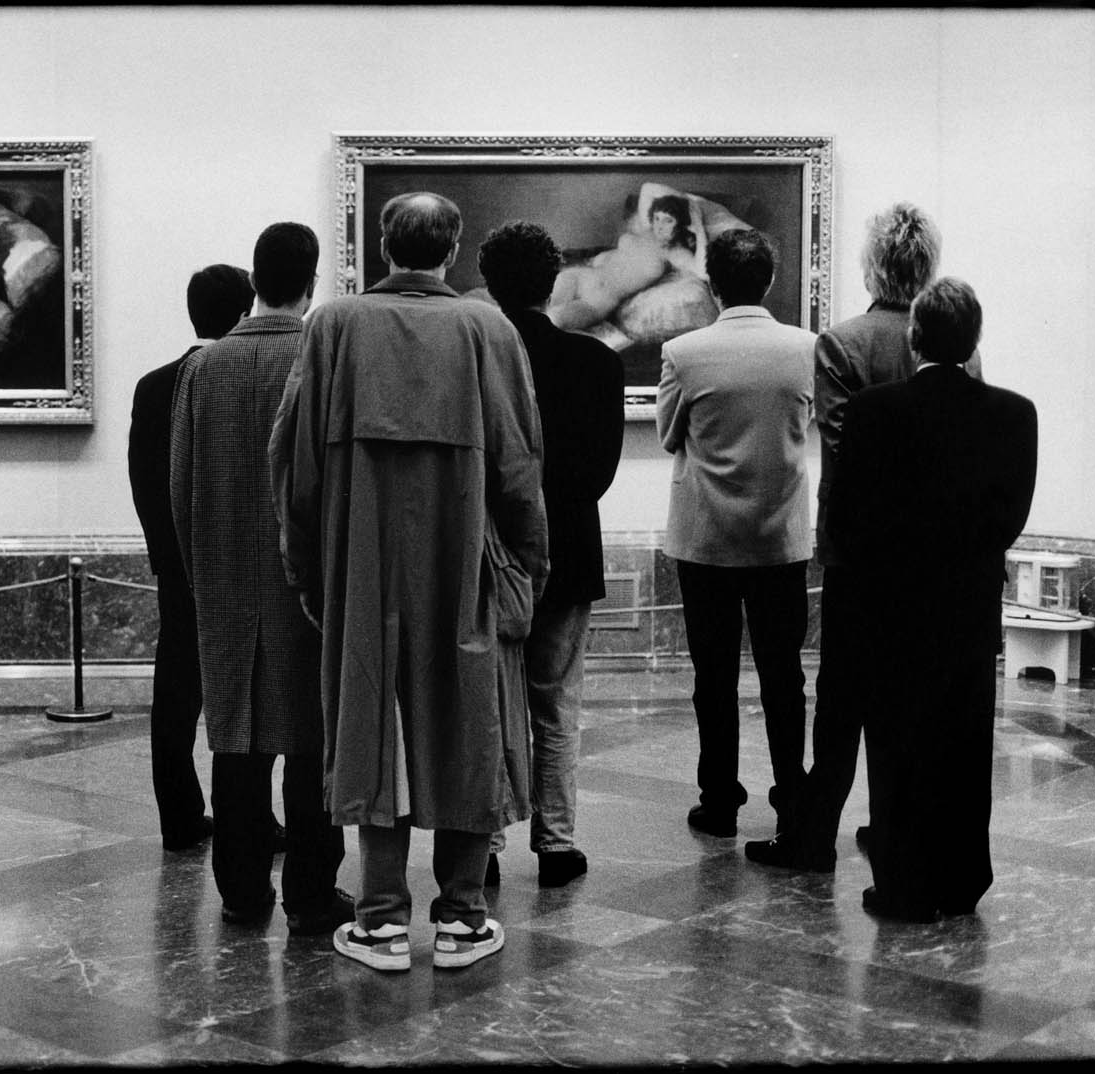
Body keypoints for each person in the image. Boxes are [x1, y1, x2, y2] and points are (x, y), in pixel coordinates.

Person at [270, 192, 547, 971]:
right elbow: (521, 467)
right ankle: (462, 916)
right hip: (463, 562)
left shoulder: (333, 327)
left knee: (372, 721)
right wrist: (529, 566)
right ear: (451, 250)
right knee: (469, 717)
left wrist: (306, 569)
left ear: (384, 246)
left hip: (361, 565)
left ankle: (383, 919)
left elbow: (294, 466)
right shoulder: (487, 329)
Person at [746, 203, 978, 872]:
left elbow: (845, 451)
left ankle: (814, 837)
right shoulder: (959, 343)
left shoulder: (842, 342)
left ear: (872, 263)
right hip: (931, 553)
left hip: (860, 548)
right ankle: (890, 825)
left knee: (842, 699)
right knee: (911, 696)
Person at [827, 278, 1036, 921]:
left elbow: (851, 517)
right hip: (970, 604)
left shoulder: (871, 412)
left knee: (895, 744)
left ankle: (902, 882)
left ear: (914, 335)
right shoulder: (1014, 413)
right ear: (974, 340)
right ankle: (961, 876)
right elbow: (1011, 518)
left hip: (892, 604)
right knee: (965, 742)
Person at [170, 223, 349, 934]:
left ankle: (242, 891)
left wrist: (202, 575)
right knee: (312, 746)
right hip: (308, 587)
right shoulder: (323, 356)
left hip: (225, 583)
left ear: (254, 276)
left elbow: (180, 489)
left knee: (236, 744)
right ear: (311, 279)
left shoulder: (203, 367)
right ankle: (310, 891)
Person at [476, 221, 624, 888]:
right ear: (553, 279)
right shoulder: (596, 361)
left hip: (490, 554)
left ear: (489, 284)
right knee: (557, 703)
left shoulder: (475, 358)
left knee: (489, 702)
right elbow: (598, 476)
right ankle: (557, 843)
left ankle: (485, 845)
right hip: (566, 548)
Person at [657, 229, 815, 839]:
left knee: (713, 676)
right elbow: (805, 426)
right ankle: (792, 799)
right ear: (768, 281)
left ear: (714, 283)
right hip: (779, 539)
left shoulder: (684, 351)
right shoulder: (806, 347)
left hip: (707, 540)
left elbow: (671, 433)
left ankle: (719, 798)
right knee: (785, 677)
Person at [128, 264, 254, 851]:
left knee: (175, 696)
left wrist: (165, 555)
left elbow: (143, 482)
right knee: (250, 691)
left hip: (178, 565)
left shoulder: (154, 384)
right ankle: (252, 818)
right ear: (244, 312)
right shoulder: (245, 376)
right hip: (242, 564)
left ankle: (178, 817)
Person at [548, 182, 713, 333]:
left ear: (681, 225)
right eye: (657, 218)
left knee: (553, 319)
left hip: (599, 298)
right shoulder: (645, 229)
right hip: (582, 276)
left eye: (668, 221)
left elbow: (703, 272)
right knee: (533, 314)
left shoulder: (675, 253)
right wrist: (686, 200)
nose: (659, 226)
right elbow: (648, 188)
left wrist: (698, 225)